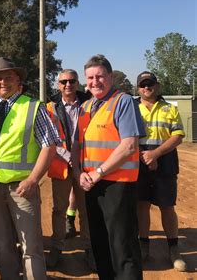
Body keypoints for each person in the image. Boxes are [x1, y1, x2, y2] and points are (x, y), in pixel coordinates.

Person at [0, 57, 60, 279]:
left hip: (23, 188)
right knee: (3, 245)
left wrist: (33, 179)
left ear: (17, 80)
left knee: (30, 247)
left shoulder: (33, 107)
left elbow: (49, 146)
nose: (3, 81)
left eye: (8, 77)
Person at [78, 54, 145, 279]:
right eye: (90, 77)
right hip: (92, 185)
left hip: (117, 185)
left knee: (122, 247)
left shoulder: (123, 101)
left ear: (110, 77)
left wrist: (97, 173)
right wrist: (80, 174)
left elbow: (129, 146)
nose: (95, 81)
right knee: (100, 244)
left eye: (100, 76)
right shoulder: (85, 107)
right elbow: (79, 145)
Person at [135, 71, 187, 272]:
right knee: (142, 205)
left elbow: (178, 135)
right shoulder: (131, 108)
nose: (146, 87)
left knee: (167, 206)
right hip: (138, 162)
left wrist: (155, 154)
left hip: (165, 164)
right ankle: (143, 246)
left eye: (150, 83)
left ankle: (174, 250)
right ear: (138, 87)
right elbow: (126, 136)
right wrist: (144, 156)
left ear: (156, 86)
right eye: (143, 84)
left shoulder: (169, 109)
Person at [45, 69, 94, 270]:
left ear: (77, 83)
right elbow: (49, 137)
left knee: (86, 210)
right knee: (59, 210)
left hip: (86, 166)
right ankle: (57, 247)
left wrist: (78, 161)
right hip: (62, 166)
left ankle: (89, 249)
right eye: (63, 81)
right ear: (58, 84)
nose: (68, 85)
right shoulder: (50, 108)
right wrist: (69, 158)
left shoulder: (90, 104)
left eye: (72, 81)